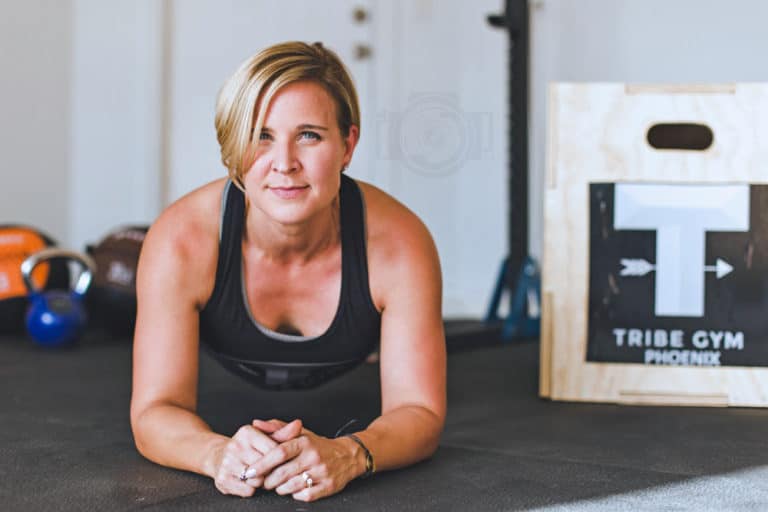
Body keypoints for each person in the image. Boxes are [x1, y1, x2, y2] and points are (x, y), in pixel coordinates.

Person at [129, 41, 446, 502]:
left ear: (347, 146)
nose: (284, 163)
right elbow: (155, 410)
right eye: (261, 135)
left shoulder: (400, 245)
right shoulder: (180, 242)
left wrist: (351, 453)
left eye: (310, 135)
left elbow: (419, 411)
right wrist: (218, 454)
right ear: (232, 149)